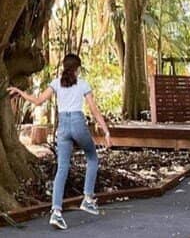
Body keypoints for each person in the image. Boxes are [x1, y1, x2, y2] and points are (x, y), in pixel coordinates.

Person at [8, 53, 112, 231]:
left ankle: (56, 211)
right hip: (78, 123)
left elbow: (38, 101)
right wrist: (106, 131)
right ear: (78, 69)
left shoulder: (56, 83)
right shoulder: (82, 84)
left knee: (62, 168)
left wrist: (19, 92)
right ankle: (88, 198)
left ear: (64, 67)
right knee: (92, 158)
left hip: (63, 126)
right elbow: (94, 110)